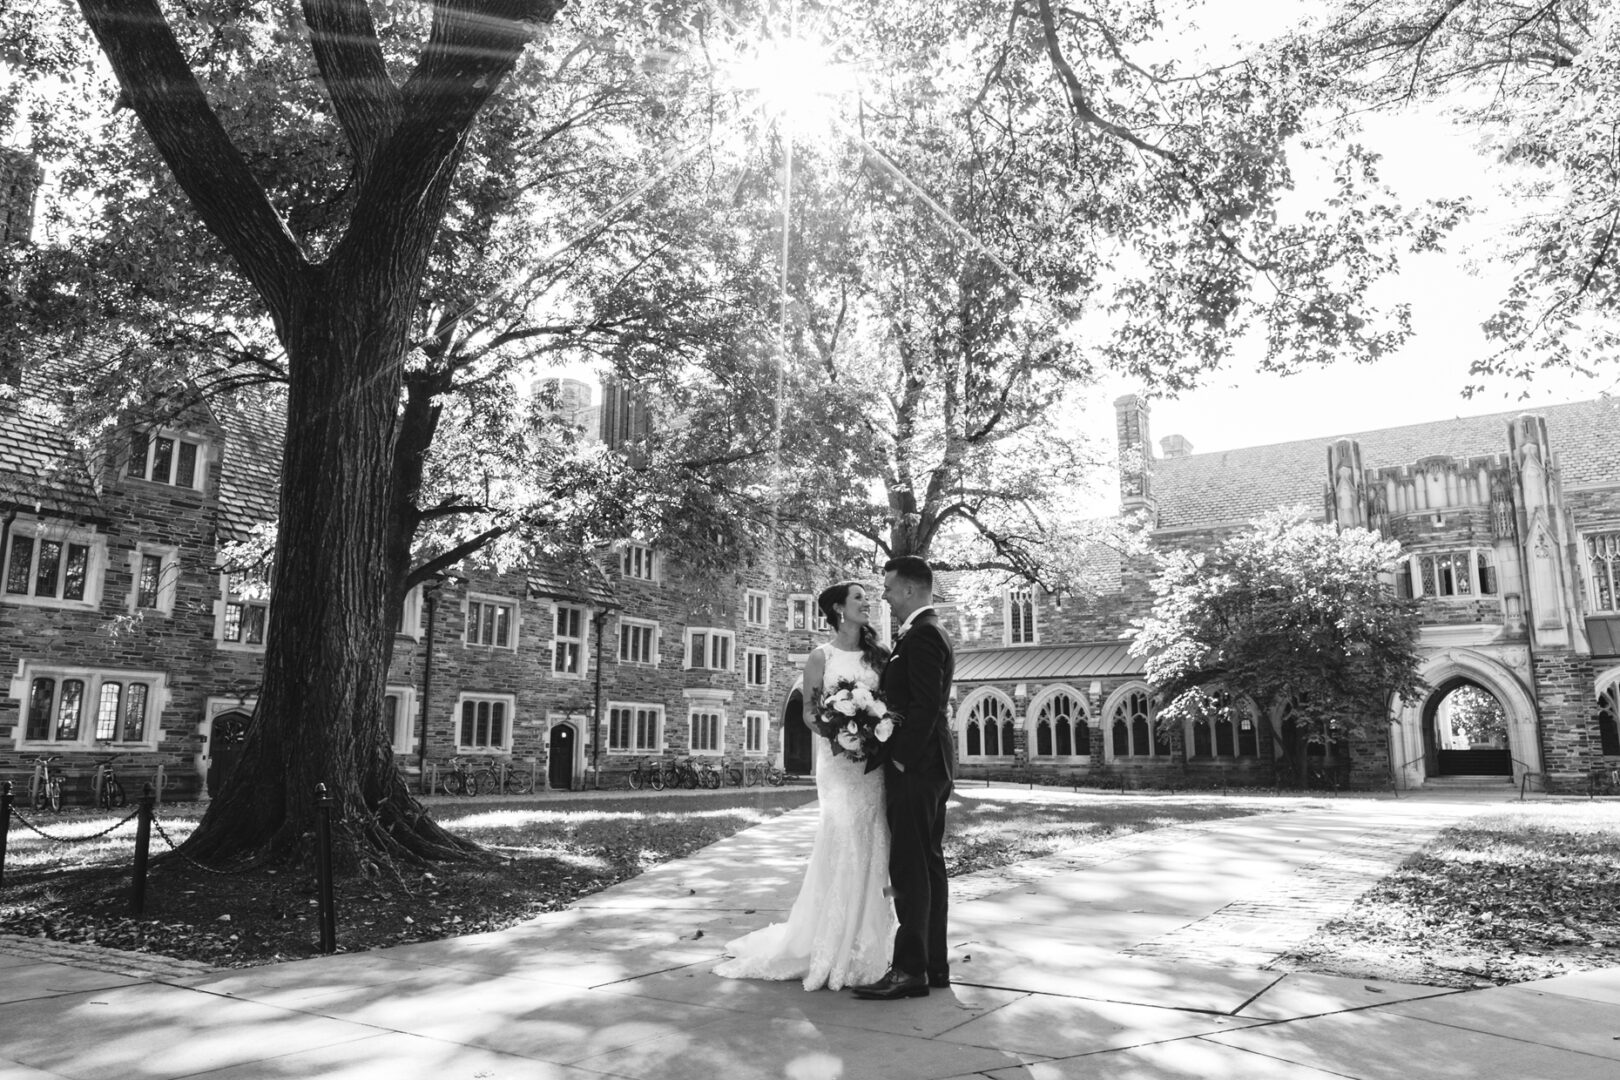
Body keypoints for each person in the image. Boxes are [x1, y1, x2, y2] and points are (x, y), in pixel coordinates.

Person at [713, 580, 897, 991]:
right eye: (859, 599)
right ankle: (834, 943)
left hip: (873, 764)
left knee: (874, 840)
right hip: (837, 764)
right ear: (837, 609)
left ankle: (870, 943)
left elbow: (889, 704)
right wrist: (843, 733)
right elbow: (811, 713)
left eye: (867, 599)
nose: (867, 604)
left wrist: (872, 731)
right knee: (844, 839)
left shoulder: (879, 656)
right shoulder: (820, 656)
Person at [853, 555, 955, 1000]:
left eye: (890, 589)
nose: (886, 597)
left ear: (911, 590)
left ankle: (910, 970)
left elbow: (926, 705)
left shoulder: (925, 634)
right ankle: (933, 967)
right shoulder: (920, 633)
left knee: (911, 869)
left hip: (918, 768)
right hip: (929, 766)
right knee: (928, 866)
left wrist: (902, 759)